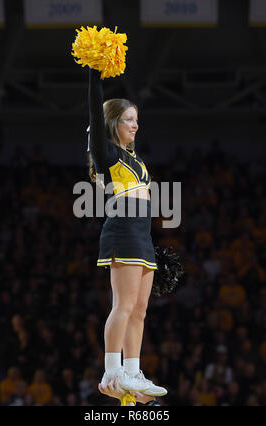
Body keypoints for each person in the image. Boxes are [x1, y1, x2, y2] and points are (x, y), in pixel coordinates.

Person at [87, 67, 166, 397]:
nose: (135, 125)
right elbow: (94, 107)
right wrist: (94, 76)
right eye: (128, 119)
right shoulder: (108, 153)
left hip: (142, 234)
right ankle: (111, 372)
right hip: (123, 228)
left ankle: (133, 372)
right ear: (113, 124)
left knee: (139, 310)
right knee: (122, 304)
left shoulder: (136, 159)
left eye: (136, 119)